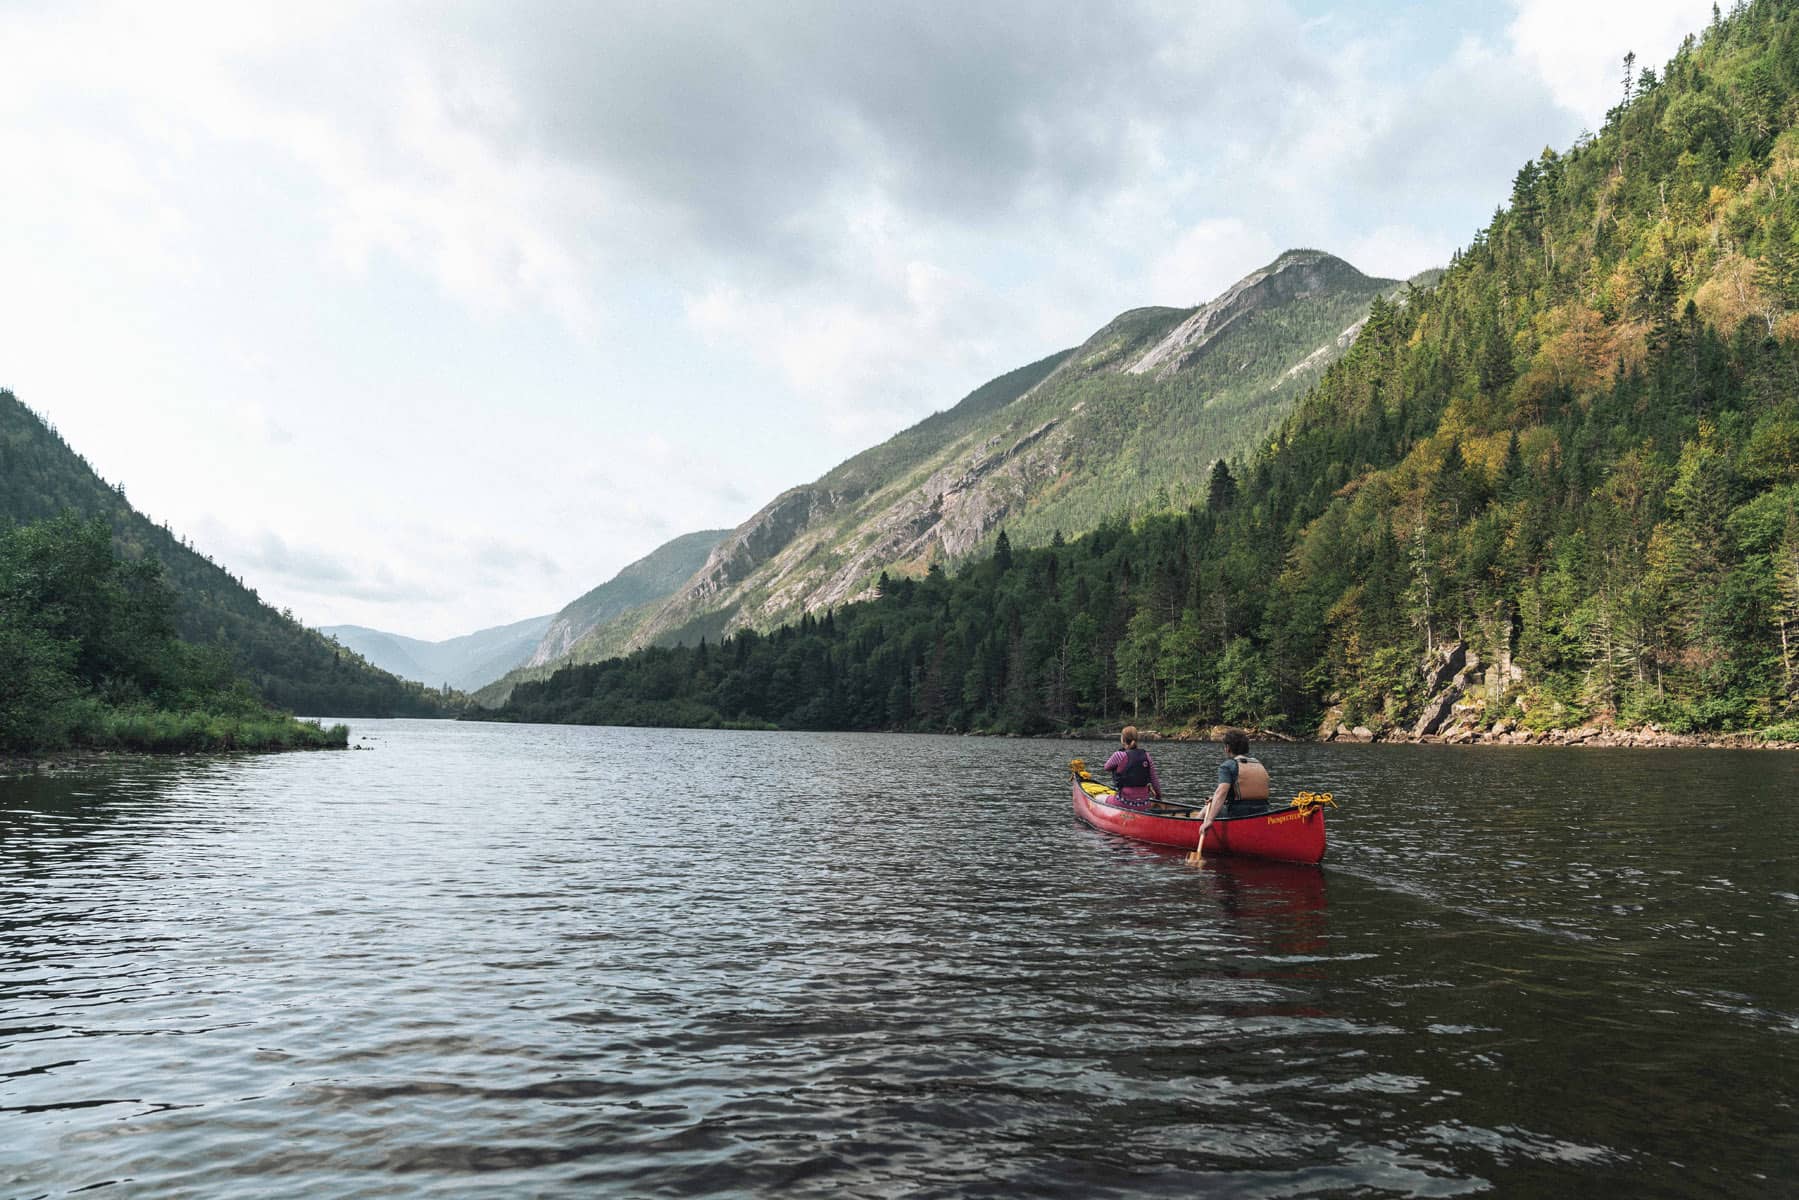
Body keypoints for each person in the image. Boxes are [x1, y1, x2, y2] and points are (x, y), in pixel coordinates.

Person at [1191, 729, 1269, 861]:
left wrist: (1209, 820)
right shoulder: (1257, 763)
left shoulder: (1228, 766)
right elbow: (1246, 789)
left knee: (1207, 807)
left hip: (1239, 814)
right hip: (1262, 812)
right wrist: (1217, 798)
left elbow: (1221, 792)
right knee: (1214, 801)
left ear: (1227, 748)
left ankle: (1193, 826)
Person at [1103, 726, 1163, 808]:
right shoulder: (1147, 755)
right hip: (1144, 804)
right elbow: (1154, 780)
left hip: (1124, 802)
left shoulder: (1119, 755)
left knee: (1099, 798)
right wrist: (1158, 797)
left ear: (1123, 740)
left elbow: (1106, 767)